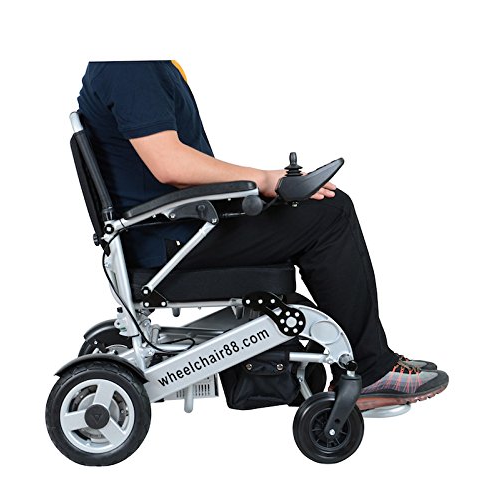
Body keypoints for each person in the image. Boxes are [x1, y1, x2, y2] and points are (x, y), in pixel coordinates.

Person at [77, 60, 448, 410]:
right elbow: (170, 164)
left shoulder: (128, 63)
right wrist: (265, 180)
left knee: (313, 208)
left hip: (170, 232)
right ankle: (371, 370)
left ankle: (370, 361)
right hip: (173, 243)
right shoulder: (131, 65)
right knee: (330, 214)